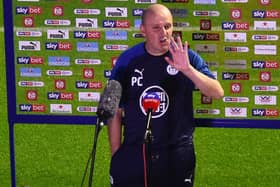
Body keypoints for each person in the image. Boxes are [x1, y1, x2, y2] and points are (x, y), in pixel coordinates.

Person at [107, 4, 224, 187]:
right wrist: (116, 152)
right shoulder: (127, 61)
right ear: (143, 30)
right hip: (134, 152)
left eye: (168, 26)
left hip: (177, 154)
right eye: (156, 28)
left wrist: (188, 70)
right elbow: (114, 108)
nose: (164, 33)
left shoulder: (187, 57)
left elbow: (217, 92)